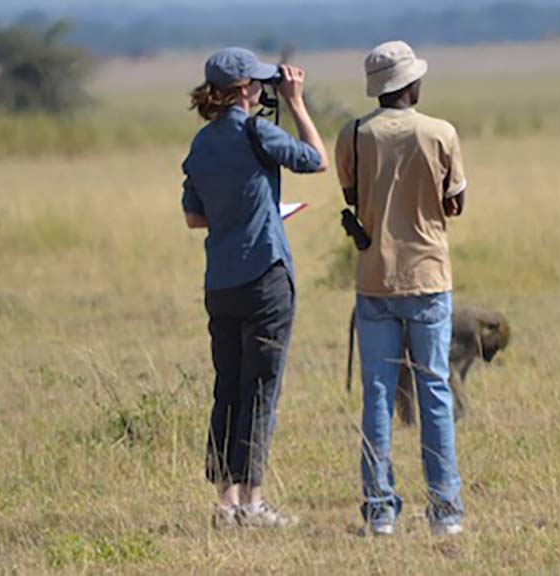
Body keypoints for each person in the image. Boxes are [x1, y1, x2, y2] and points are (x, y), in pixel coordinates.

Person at [181, 47, 327, 529]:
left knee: (228, 387)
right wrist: (299, 104)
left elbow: (194, 216)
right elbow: (314, 160)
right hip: (265, 275)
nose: (267, 90)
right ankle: (253, 502)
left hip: (220, 281)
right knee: (261, 389)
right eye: (260, 84)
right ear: (244, 89)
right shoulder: (256, 130)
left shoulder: (201, 144)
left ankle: (225, 503)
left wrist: (237, 210)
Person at [336, 40, 467, 537]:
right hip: (429, 278)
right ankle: (446, 512)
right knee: (434, 391)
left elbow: (352, 196)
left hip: (374, 280)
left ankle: (380, 511)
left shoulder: (351, 135)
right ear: (411, 85)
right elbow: (455, 204)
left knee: (377, 395)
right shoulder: (440, 132)